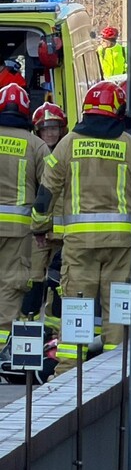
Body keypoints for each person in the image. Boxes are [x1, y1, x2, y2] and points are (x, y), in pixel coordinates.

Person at [31, 81, 131, 349]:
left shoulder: (68, 144)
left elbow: (47, 191)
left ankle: (69, 367)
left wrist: (39, 227)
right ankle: (117, 366)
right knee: (118, 309)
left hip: (80, 246)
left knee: (76, 309)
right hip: (121, 245)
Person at [0, 84, 49, 348]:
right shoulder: (37, 145)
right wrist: (43, 227)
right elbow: (49, 189)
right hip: (18, 232)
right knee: (9, 285)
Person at [23, 103, 68, 319]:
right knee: (33, 278)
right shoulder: (34, 153)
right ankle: (27, 323)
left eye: (54, 128)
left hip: (64, 234)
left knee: (58, 281)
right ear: (37, 131)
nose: (49, 133)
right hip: (39, 232)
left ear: (62, 129)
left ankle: (52, 327)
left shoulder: (68, 152)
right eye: (44, 129)